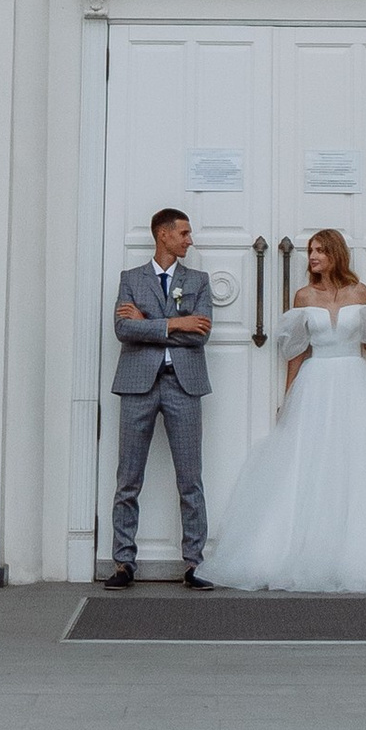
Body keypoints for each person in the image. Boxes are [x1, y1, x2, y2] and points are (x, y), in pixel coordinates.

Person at [201, 228, 366, 594]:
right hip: (316, 383)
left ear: (336, 253)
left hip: (354, 383)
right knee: (311, 463)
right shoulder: (304, 295)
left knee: (357, 463)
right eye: (311, 251)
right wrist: (287, 400)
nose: (313, 257)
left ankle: (363, 553)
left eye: (320, 250)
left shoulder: (359, 293)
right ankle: (299, 550)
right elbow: (297, 352)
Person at [105, 207, 211, 587]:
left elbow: (200, 333)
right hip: (137, 384)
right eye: (184, 233)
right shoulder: (130, 278)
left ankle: (194, 564)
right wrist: (174, 322)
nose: (189, 240)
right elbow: (122, 328)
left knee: (190, 480)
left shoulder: (197, 280)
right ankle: (123, 563)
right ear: (163, 235)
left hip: (184, 385)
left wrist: (148, 321)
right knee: (128, 478)